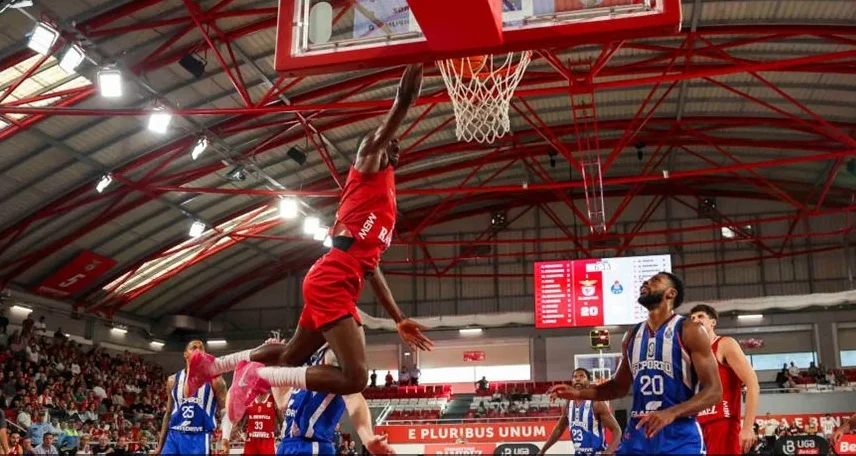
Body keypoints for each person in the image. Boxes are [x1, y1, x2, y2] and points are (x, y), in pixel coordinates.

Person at [184, 63, 433, 417]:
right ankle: (258, 375)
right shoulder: (367, 163)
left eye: (397, 143)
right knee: (355, 377)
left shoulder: (386, 201)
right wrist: (422, 56)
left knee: (290, 357)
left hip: (336, 279)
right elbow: (401, 103)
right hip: (332, 279)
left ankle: (211, 366)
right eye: (389, 139)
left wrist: (398, 318)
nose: (395, 144)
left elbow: (372, 268)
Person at [548, 272, 721, 454]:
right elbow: (618, 387)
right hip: (638, 433)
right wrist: (578, 393)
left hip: (678, 433)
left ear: (671, 293)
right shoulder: (631, 336)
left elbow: (714, 391)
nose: (646, 282)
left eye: (655, 281)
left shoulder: (689, 330)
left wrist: (671, 412)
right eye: (646, 280)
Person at [265, 339, 395, 455]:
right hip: (287, 444)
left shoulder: (333, 355)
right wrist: (273, 365)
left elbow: (353, 396)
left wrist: (367, 438)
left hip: (311, 447)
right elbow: (284, 403)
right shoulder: (307, 362)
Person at [690, 304, 760, 454]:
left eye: (700, 316)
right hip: (695, 424)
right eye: (692, 318)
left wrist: (748, 427)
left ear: (713, 322)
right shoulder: (690, 352)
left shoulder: (725, 344)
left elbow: (752, 382)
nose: (695, 320)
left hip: (722, 422)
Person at [153, 340, 228, 456]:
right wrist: (160, 446)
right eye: (193, 348)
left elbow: (226, 411)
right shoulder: (173, 380)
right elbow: (168, 414)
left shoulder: (215, 380)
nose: (198, 351)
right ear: (185, 354)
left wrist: (225, 437)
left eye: (201, 348)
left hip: (198, 436)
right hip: (174, 436)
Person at [538, 368, 621, 455]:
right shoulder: (568, 404)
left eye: (582, 376)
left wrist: (609, 451)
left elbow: (617, 430)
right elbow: (559, 429)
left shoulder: (597, 403)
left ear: (588, 381)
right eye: (575, 377)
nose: (577, 379)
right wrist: (542, 450)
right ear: (572, 381)